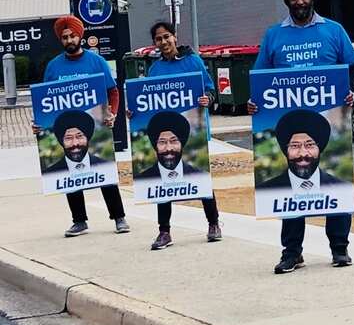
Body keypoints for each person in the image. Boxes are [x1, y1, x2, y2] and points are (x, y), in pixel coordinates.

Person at [248, 0, 354, 274]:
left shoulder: (334, 31)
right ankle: (292, 253)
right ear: (287, 1)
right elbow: (260, 79)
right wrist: (255, 103)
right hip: (289, 123)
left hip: (328, 121)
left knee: (335, 188)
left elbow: (353, 68)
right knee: (291, 189)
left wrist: (349, 92)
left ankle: (340, 249)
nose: (299, 1)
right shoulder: (274, 35)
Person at [34, 15, 129, 237]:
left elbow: (113, 92)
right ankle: (79, 221)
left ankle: (119, 217)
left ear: (80, 36)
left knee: (104, 172)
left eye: (72, 35)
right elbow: (45, 101)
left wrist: (112, 113)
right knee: (70, 174)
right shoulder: (53, 67)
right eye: (65, 37)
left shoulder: (97, 62)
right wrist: (40, 124)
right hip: (66, 130)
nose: (69, 39)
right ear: (61, 40)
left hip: (94, 129)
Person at [138, 20, 221, 251]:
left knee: (200, 176)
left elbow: (210, 89)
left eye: (166, 37)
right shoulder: (155, 69)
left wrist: (208, 99)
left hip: (192, 131)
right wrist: (134, 111)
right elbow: (149, 101)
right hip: (165, 135)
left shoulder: (193, 61)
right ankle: (164, 231)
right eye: (158, 39)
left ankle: (213, 224)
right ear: (154, 43)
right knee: (164, 181)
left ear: (175, 37)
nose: (163, 42)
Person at [259, 109, 344, 189]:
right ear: (286, 150)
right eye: (295, 146)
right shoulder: (264, 192)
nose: (303, 153)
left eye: (309, 145)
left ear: (319, 148)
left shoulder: (343, 189)